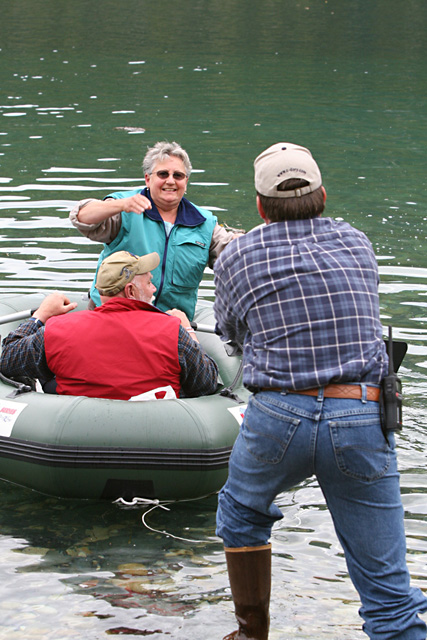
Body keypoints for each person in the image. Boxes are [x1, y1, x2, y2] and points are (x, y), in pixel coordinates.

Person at [213, 142, 427, 639]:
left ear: (262, 207)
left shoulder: (237, 255)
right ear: (324, 195)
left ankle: (251, 632)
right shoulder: (357, 242)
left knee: (241, 513)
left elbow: (231, 335)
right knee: (388, 590)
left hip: (277, 417)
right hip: (360, 412)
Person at [0, 251, 218, 400]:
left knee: (47, 381)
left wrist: (41, 315)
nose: (153, 290)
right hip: (160, 440)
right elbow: (206, 384)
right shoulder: (172, 331)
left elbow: (8, 359)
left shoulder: (57, 329)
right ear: (131, 291)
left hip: (74, 443)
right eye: (150, 282)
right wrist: (187, 329)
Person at [69, 140, 243, 320]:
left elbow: (234, 257)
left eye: (178, 175)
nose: (170, 181)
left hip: (167, 324)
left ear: (186, 181)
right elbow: (81, 217)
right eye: (163, 174)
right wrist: (120, 205)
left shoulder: (205, 223)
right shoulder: (125, 208)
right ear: (147, 178)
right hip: (113, 318)